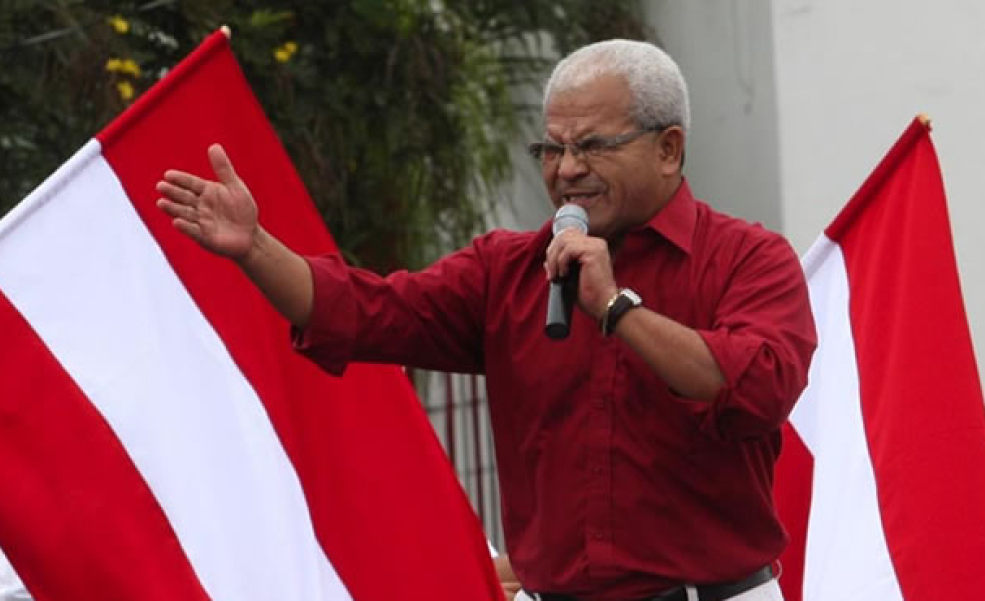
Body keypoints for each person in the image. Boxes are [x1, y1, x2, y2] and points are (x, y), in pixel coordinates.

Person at [157, 39, 816, 601]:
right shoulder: (508, 269)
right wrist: (254, 247)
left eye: (591, 146)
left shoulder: (748, 260)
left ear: (669, 149)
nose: (566, 170)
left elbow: (757, 384)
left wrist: (618, 310)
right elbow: (365, 310)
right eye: (551, 148)